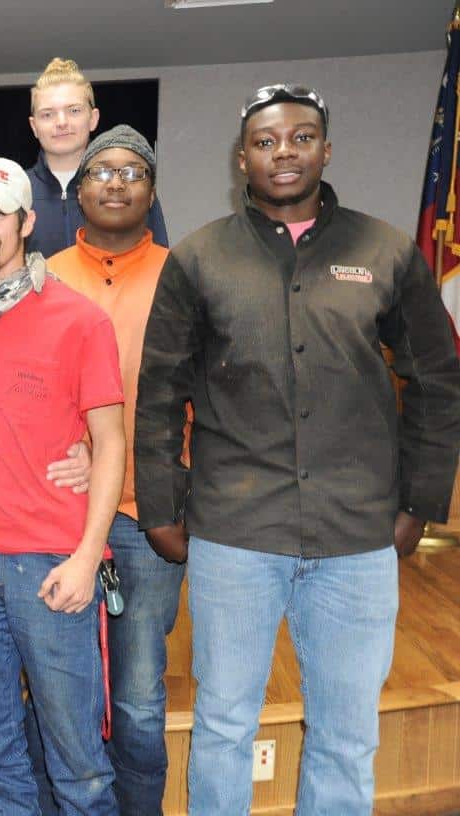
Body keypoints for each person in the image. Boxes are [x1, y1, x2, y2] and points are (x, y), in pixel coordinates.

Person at [135, 84, 460, 815]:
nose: (284, 152)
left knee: (348, 733)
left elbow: (438, 382)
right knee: (222, 725)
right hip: (235, 533)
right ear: (241, 158)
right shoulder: (197, 258)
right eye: (266, 141)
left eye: (301, 137)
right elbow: (160, 393)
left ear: (325, 149)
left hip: (357, 536)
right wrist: (160, 504)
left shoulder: (385, 252)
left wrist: (421, 501)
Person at [0, 157, 126, 814]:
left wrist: (85, 556)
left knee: (77, 756)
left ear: (27, 223)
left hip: (51, 566)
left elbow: (110, 443)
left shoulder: (78, 320)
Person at [47, 125, 187, 815]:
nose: (115, 182)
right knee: (62, 691)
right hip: (57, 517)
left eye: (132, 172)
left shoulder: (183, 275)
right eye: (101, 171)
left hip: (146, 515)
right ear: (78, 192)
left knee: (135, 697)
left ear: (151, 191)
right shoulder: (41, 277)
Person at [24, 58, 168, 259]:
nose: (61, 122)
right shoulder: (14, 192)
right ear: (34, 126)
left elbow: (159, 268)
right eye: (48, 114)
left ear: (93, 118)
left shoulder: (129, 189)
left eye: (73, 110)